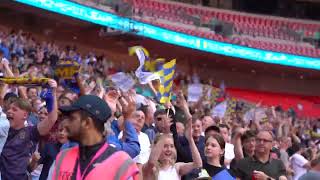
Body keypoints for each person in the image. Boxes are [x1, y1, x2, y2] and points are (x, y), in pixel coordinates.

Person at [53, 95, 139, 180]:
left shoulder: (122, 163)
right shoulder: (62, 157)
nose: (66, 124)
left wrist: (126, 118)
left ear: (87, 123)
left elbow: (134, 148)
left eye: (72, 119)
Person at [0, 79, 58, 180]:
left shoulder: (30, 132)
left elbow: (52, 119)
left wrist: (53, 93)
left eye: (14, 109)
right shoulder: (2, 128)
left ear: (25, 115)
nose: (9, 111)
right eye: (8, 109)